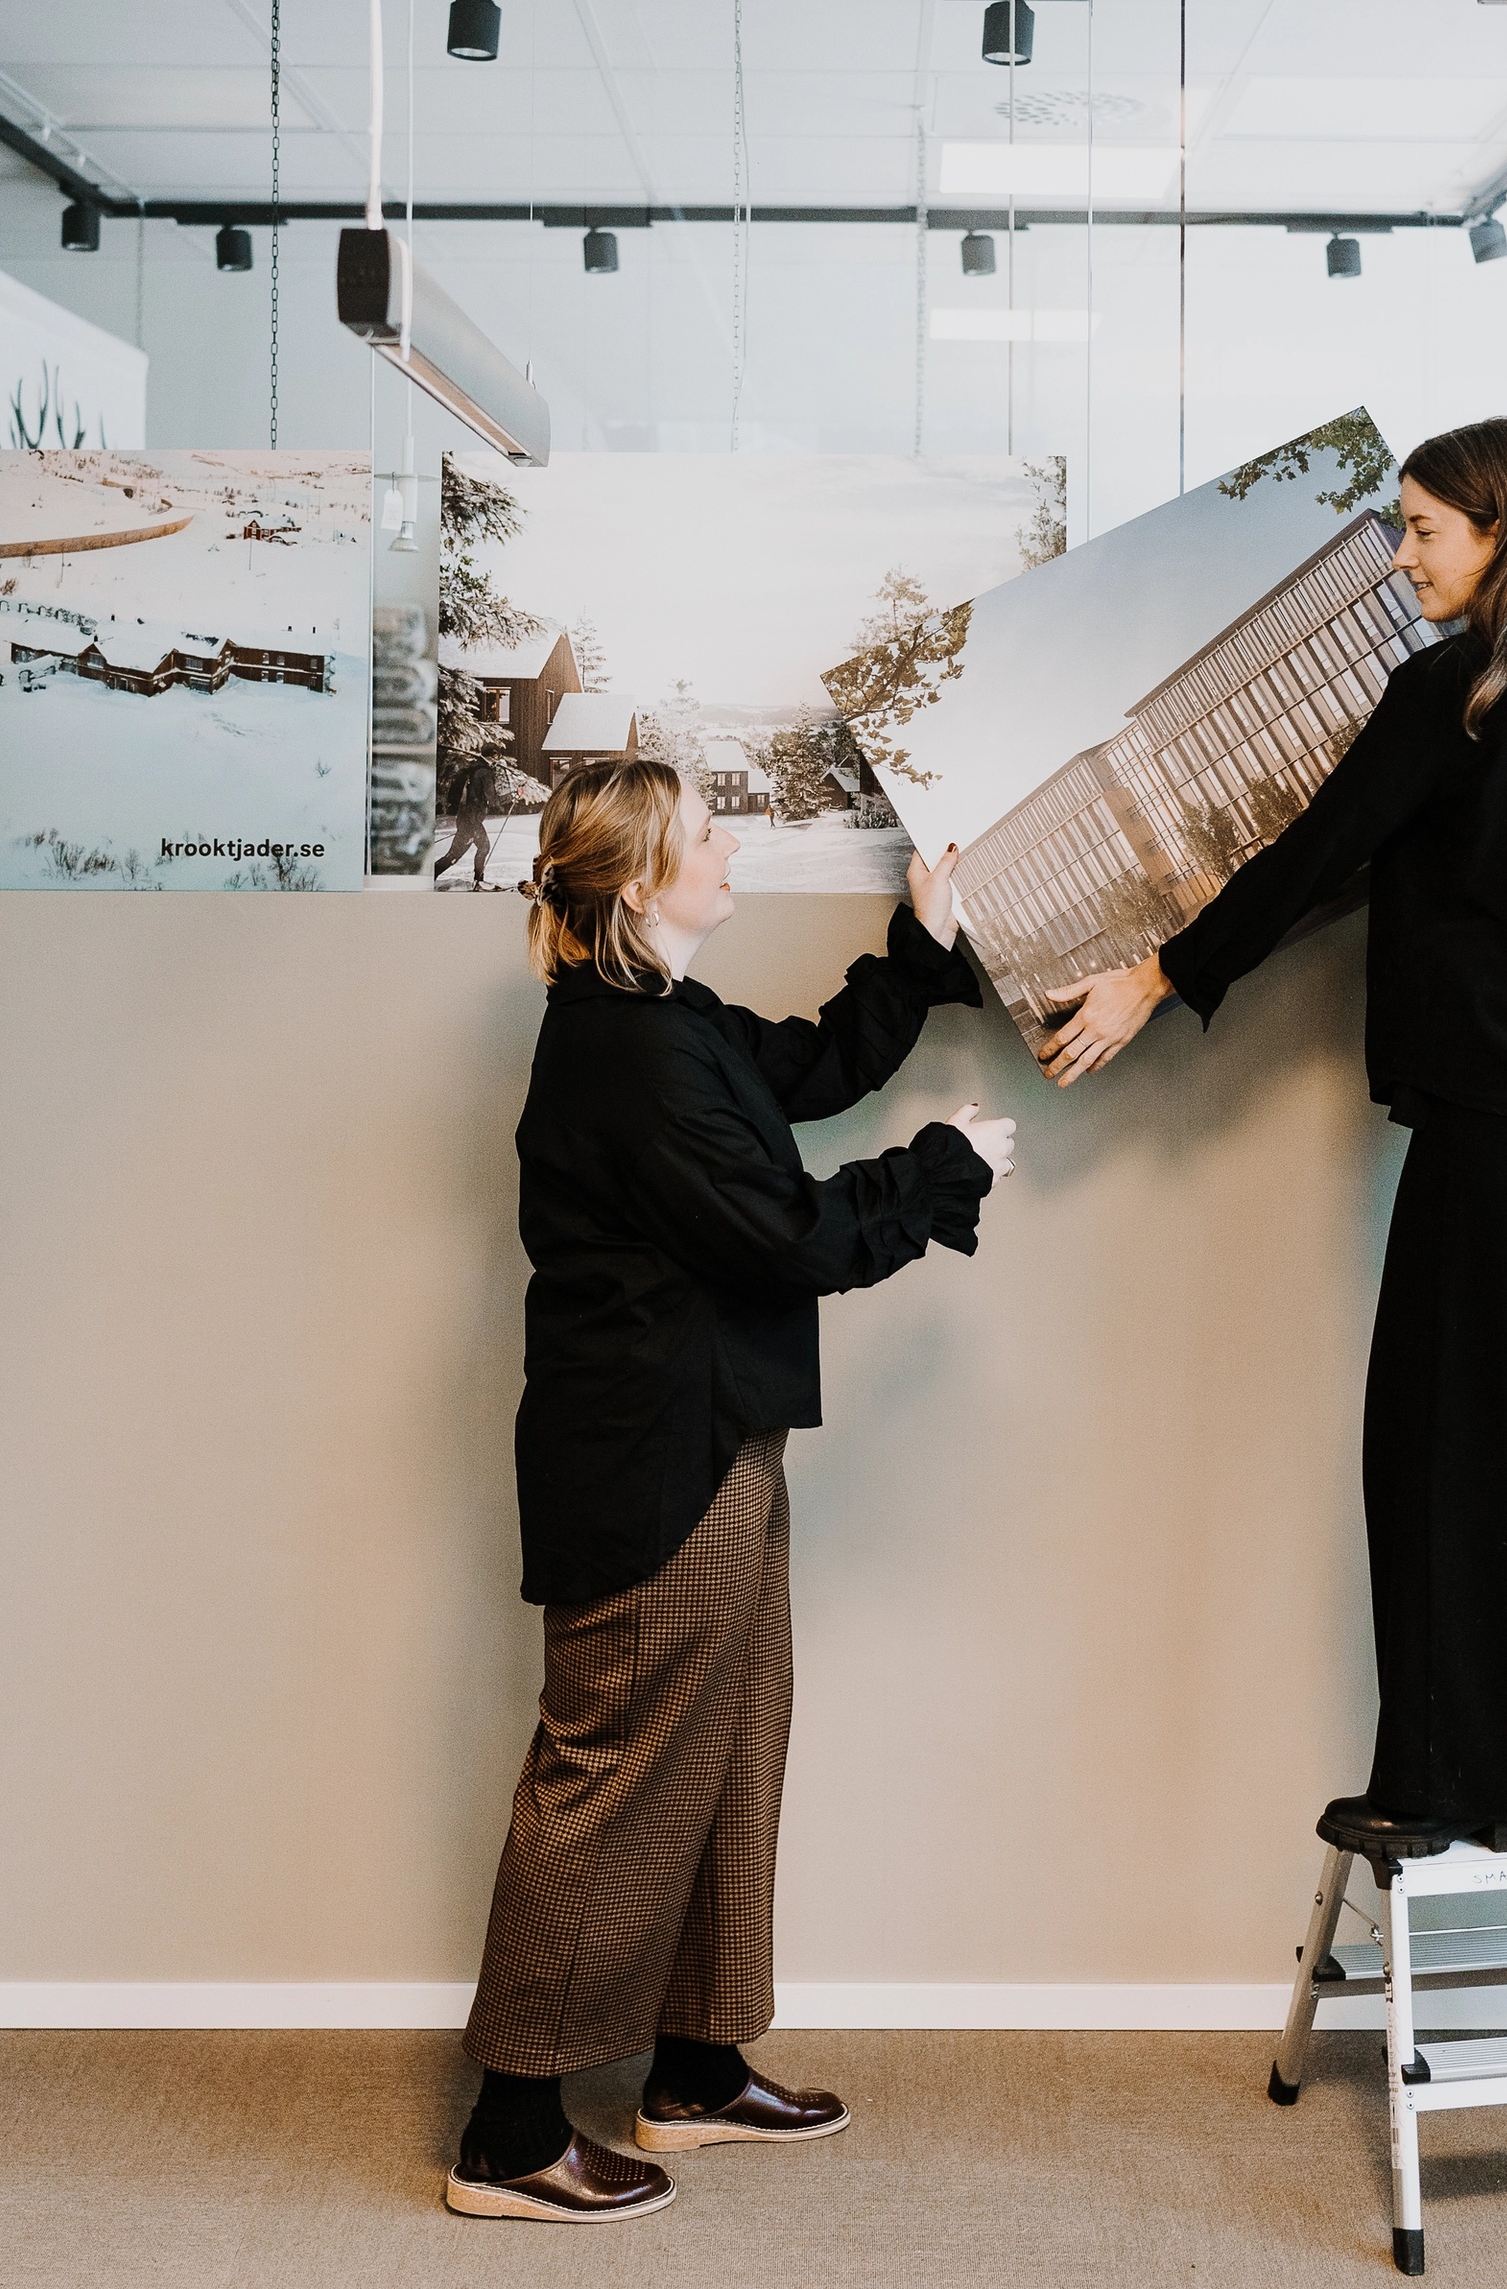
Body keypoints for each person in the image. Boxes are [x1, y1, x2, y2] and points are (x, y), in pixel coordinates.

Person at [1041, 418, 1507, 1867]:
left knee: (1443, 1440)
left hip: (1494, 1115)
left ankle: (1438, 1782)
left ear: (1498, 528)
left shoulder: (1453, 693)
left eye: (1421, 527)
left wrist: (1152, 973)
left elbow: (1312, 847)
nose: (1400, 552)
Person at [448, 758, 1013, 2223]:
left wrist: (922, 932)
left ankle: (692, 2066)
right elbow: (788, 1236)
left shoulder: (666, 1020)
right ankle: (510, 2129)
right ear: (638, 883)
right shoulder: (621, 1058)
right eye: (706, 831)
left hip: (721, 1429)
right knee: (613, 1770)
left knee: (730, 1746)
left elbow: (809, 1069)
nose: (731, 839)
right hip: (650, 1454)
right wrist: (942, 1166)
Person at [433, 749, 497, 889]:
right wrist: (514, 794)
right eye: (497, 755)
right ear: (491, 756)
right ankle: (479, 881)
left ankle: (429, 876)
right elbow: (493, 800)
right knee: (484, 847)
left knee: (454, 855)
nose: (497, 759)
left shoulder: (473, 768)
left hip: (464, 817)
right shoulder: (484, 772)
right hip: (472, 820)